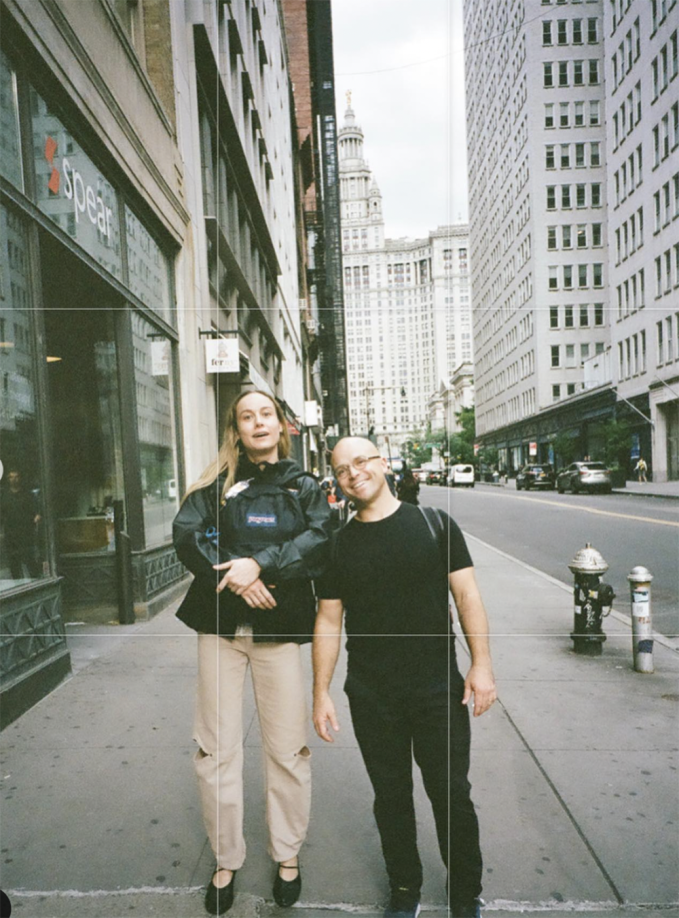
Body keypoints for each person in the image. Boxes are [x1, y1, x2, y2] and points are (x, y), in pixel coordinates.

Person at [312, 437, 497, 918]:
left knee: (451, 793)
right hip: (372, 694)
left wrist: (481, 664)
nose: (353, 473)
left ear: (383, 464)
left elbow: (468, 597)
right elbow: (329, 621)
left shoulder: (435, 525)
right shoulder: (337, 546)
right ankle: (404, 889)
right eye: (342, 469)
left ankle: (464, 894)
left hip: (439, 690)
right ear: (337, 482)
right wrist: (320, 693)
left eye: (361, 462)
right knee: (391, 797)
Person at [173, 390, 332, 915]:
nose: (258, 423)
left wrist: (259, 563)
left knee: (287, 751)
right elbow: (188, 534)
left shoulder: (305, 486)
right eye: (247, 416)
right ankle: (226, 859)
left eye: (266, 414)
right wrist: (238, 577)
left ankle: (287, 855)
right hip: (218, 627)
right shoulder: (215, 487)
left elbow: (319, 538)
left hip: (279, 631)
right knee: (215, 750)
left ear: (282, 425)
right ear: (235, 429)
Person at [0, 469, 41, 579]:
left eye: (16, 476)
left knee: (29, 559)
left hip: (26, 532)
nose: (14, 479)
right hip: (11, 533)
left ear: (20, 478)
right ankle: (17, 583)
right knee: (14, 562)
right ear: (8, 479)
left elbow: (37, 511)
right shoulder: (4, 496)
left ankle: (36, 581)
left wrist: (37, 516)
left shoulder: (27, 495)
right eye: (11, 477)